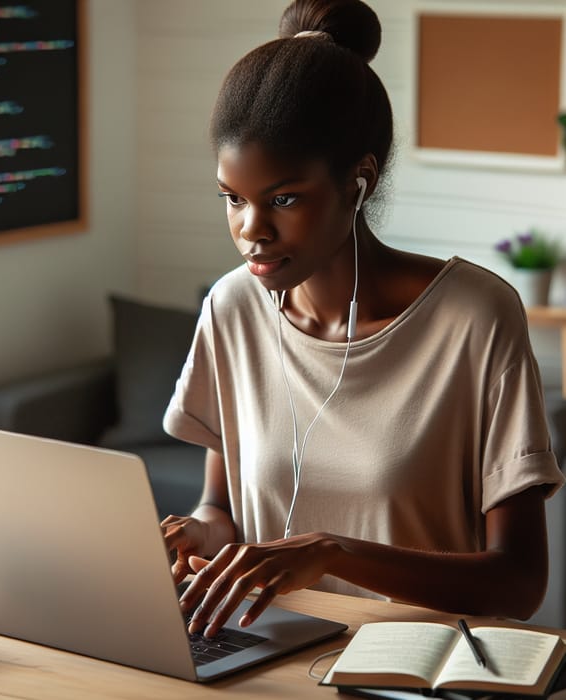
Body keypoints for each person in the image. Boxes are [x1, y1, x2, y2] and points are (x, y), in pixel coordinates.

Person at [161, 0, 565, 639]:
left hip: (417, 668)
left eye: (284, 199)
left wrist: (334, 551)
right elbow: (223, 507)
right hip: (267, 659)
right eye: (232, 199)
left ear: (360, 180)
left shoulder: (474, 318)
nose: (250, 231)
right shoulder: (232, 306)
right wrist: (200, 531)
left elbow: (518, 585)